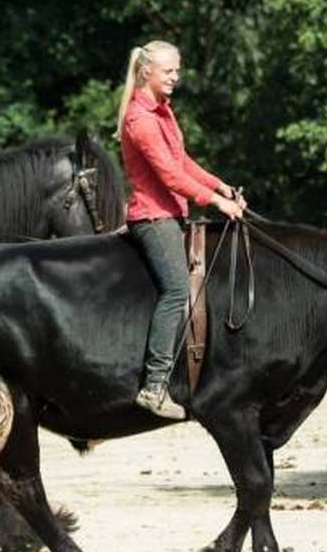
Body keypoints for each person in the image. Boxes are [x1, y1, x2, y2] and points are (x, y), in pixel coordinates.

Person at [117, 41, 246, 419]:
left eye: (177, 70)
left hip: (173, 213)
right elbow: (169, 175)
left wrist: (219, 184)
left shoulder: (163, 113)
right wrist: (217, 202)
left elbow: (182, 161)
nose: (175, 77)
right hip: (153, 219)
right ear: (146, 73)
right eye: (168, 71)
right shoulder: (139, 119)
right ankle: (154, 385)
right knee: (176, 290)